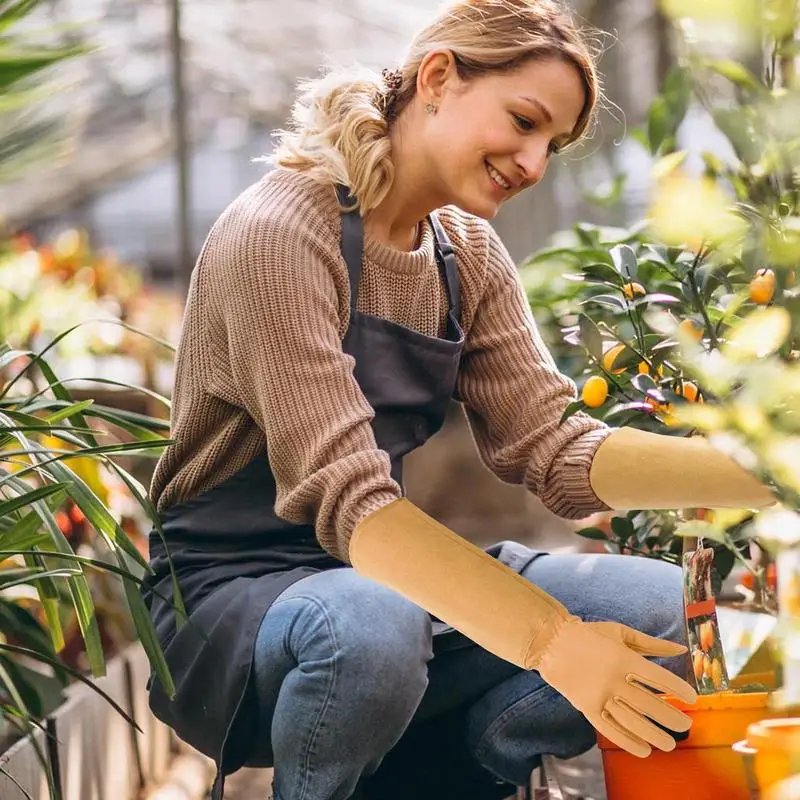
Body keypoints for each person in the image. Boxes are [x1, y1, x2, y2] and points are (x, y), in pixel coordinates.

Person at [141, 1, 775, 799]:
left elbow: (557, 449)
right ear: (438, 77)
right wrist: (554, 643)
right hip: (233, 600)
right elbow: (356, 507)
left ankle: (453, 777)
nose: (535, 162)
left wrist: (767, 467)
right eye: (524, 120)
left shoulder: (463, 251)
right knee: (369, 626)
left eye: (553, 144)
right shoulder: (279, 235)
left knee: (671, 615)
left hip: (383, 582)